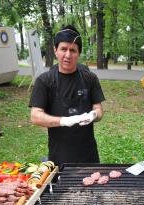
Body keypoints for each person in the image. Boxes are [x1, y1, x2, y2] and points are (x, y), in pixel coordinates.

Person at [29, 25, 105, 166]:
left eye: (73, 50)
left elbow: (99, 109)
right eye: (63, 49)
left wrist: (94, 115)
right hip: (59, 154)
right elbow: (35, 116)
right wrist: (63, 121)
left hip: (88, 153)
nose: (68, 55)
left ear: (79, 53)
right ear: (55, 51)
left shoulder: (90, 78)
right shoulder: (44, 81)